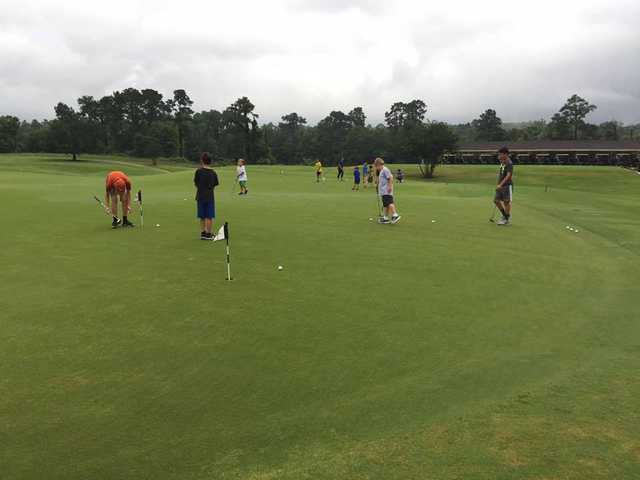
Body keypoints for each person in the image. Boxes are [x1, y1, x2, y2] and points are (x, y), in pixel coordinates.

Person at [194, 152, 219, 240]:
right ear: (210, 161)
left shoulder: (198, 171)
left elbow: (196, 182)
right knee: (209, 216)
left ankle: (203, 233)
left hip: (200, 196)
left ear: (202, 161)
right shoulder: (213, 173)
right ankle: (208, 234)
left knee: (202, 216)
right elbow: (215, 184)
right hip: (209, 197)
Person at [374, 158, 401, 224]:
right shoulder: (382, 171)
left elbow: (390, 178)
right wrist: (377, 186)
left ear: (379, 164)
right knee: (386, 205)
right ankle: (385, 218)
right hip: (383, 191)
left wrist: (389, 187)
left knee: (389, 203)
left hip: (386, 190)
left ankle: (395, 215)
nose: (376, 168)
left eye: (376, 166)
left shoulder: (385, 170)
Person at [494, 146, 514, 225]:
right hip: (500, 185)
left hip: (507, 186)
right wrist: (498, 184)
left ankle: (506, 219)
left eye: (501, 154)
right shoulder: (502, 162)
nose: (499, 156)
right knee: (496, 201)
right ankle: (505, 216)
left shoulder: (509, 163)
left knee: (506, 202)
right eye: (499, 154)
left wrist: (501, 184)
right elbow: (501, 173)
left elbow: (508, 175)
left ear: (506, 154)